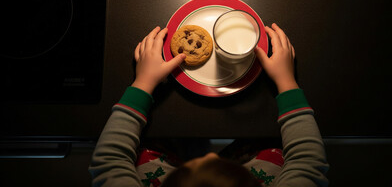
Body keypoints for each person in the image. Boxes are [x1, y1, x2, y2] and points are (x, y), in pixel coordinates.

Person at [89, 23, 329, 186]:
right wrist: (287, 80)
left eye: (196, 163)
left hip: (158, 164)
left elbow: (109, 160)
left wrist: (142, 82)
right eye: (218, 162)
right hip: (260, 162)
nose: (213, 155)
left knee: (150, 146)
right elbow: (307, 162)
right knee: (268, 145)